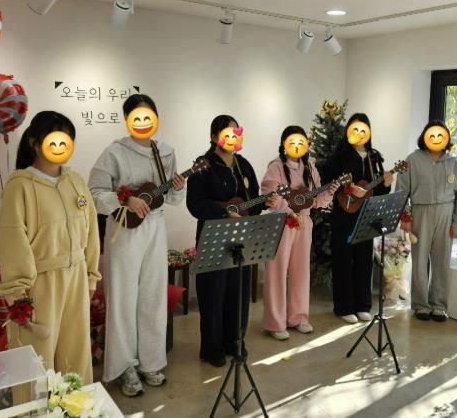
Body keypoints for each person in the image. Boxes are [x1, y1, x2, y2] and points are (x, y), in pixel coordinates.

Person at [89, 94, 185, 396]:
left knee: (153, 294)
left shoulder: (166, 152)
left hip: (155, 225)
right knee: (122, 296)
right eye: (136, 117)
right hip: (124, 229)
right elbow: (94, 193)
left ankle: (151, 361)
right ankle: (123, 367)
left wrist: (179, 187)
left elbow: (171, 198)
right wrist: (124, 199)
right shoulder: (114, 152)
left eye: (148, 116)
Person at [0, 111, 100, 384]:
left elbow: (91, 231)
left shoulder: (76, 181)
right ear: (34, 143)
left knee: (76, 356)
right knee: (36, 360)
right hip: (38, 284)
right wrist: (18, 295)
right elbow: (11, 241)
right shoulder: (20, 186)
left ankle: (77, 404)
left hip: (76, 278)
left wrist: (91, 277)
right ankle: (35, 407)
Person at [186, 115, 277, 367]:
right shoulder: (203, 165)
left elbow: (251, 202)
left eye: (236, 133)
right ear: (214, 137)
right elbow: (195, 204)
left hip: (242, 237)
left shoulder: (243, 165)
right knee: (213, 292)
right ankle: (212, 348)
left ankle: (236, 341)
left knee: (239, 290)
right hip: (213, 235)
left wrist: (264, 202)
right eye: (227, 133)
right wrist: (224, 212)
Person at [260, 126, 338, 340]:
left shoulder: (310, 168)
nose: (296, 146)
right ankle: (275, 322)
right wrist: (288, 211)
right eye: (292, 142)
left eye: (301, 142)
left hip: (304, 223)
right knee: (276, 272)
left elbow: (317, 200)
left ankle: (298, 317)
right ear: (284, 145)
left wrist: (329, 193)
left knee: (301, 270)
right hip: (281, 222)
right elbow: (270, 193)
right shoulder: (276, 166)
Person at [396, 120, 457, 321]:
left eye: (440, 135)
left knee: (441, 261)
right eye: (432, 135)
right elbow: (401, 191)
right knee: (419, 260)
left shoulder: (454, 162)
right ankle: (421, 305)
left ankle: (439, 305)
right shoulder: (412, 160)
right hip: (420, 212)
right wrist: (406, 216)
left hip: (446, 212)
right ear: (425, 137)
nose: (436, 139)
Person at [324, 113, 393, 324]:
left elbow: (377, 191)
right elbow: (328, 184)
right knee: (343, 259)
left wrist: (386, 183)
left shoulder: (374, 157)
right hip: (343, 214)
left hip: (366, 215)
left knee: (364, 259)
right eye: (355, 129)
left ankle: (363, 305)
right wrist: (347, 189)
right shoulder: (339, 157)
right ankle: (343, 307)